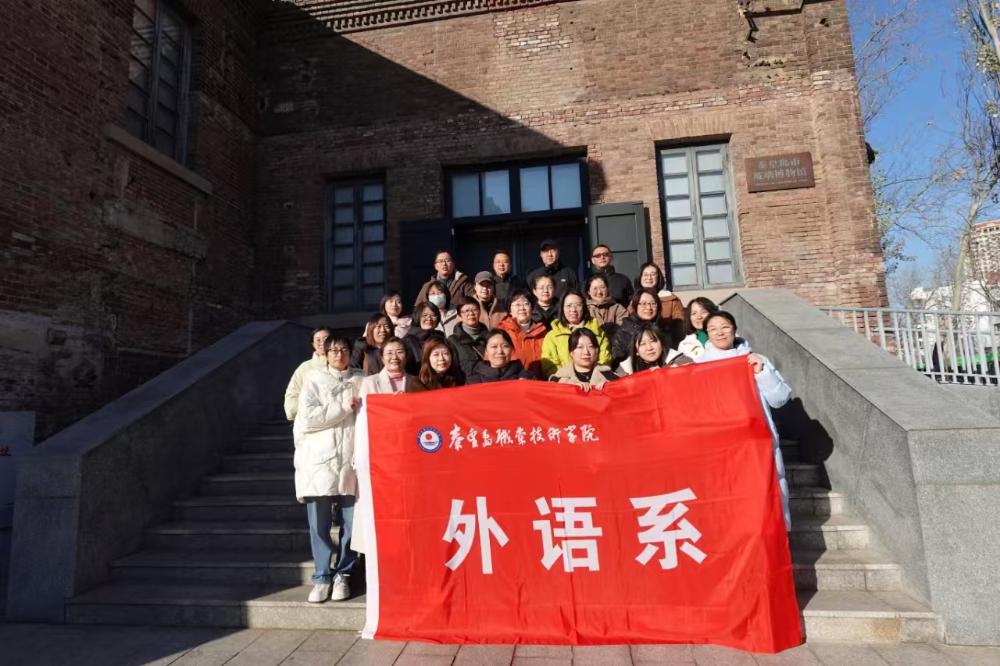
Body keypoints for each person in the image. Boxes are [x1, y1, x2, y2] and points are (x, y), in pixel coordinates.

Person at [696, 311, 792, 530]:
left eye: (725, 327)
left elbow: (780, 399)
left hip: (758, 443)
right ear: (707, 335)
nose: (720, 332)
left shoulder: (754, 359)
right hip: (723, 448)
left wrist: (762, 372)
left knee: (768, 507)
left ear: (734, 329)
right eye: (713, 329)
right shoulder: (699, 366)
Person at [292, 336, 363, 604]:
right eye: (334, 350)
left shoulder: (362, 381)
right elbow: (308, 419)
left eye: (344, 349)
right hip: (319, 461)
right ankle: (322, 576)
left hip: (352, 460)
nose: (339, 354)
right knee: (319, 524)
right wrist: (344, 408)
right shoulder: (314, 379)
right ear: (326, 353)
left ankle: (343, 573)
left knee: (351, 522)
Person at [540, 289, 612, 377]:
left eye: (578, 305)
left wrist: (590, 377)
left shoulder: (598, 332)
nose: (573, 310)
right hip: (564, 382)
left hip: (595, 381)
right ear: (562, 308)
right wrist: (569, 379)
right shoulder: (552, 336)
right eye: (568, 306)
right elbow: (549, 366)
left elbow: (605, 361)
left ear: (584, 307)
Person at [612, 288, 672, 367]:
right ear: (635, 306)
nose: (649, 307)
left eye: (653, 303)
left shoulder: (665, 328)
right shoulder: (624, 332)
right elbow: (619, 361)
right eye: (643, 303)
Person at [284, 327, 331, 421]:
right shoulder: (305, 368)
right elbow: (292, 395)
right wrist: (308, 412)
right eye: (318, 340)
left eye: (326, 339)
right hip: (310, 420)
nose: (322, 342)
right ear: (313, 344)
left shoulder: (343, 364)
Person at [496, 289, 548, 376]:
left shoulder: (542, 332)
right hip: (511, 380)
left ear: (532, 308)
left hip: (538, 380)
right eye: (517, 305)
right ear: (509, 310)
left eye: (526, 304)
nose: (522, 308)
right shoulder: (501, 332)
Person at [633, 262, 686, 344]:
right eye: (645, 274)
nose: (649, 278)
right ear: (640, 277)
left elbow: (680, 327)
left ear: (659, 277)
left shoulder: (671, 299)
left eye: (653, 274)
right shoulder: (633, 301)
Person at [549, 328, 617, 391]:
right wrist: (569, 387)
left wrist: (611, 386)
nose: (586, 352)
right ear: (571, 352)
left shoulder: (607, 374)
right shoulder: (560, 377)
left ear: (596, 350)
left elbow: (621, 388)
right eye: (580, 347)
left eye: (591, 347)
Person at [617, 322, 692, 375]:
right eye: (642, 344)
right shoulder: (626, 370)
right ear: (636, 350)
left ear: (662, 343)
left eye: (653, 341)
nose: (649, 348)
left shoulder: (681, 362)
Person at [466, 329, 535, 383]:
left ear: (512, 349)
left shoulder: (527, 378)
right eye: (494, 346)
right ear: (486, 351)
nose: (500, 351)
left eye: (505, 346)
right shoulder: (474, 382)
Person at [448, 297, 489, 377]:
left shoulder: (490, 337)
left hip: (490, 381)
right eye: (466, 311)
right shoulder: (452, 341)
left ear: (480, 312)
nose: (471, 313)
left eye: (475, 310)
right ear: (460, 314)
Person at [403, 302, 446, 375]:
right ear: (417, 317)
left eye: (433, 315)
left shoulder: (441, 337)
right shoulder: (408, 341)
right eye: (425, 315)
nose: (429, 318)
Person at [586, 273, 627, 339]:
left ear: (607, 289)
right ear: (588, 292)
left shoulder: (617, 308)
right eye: (595, 288)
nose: (599, 292)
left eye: (602, 287)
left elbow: (624, 329)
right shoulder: (585, 309)